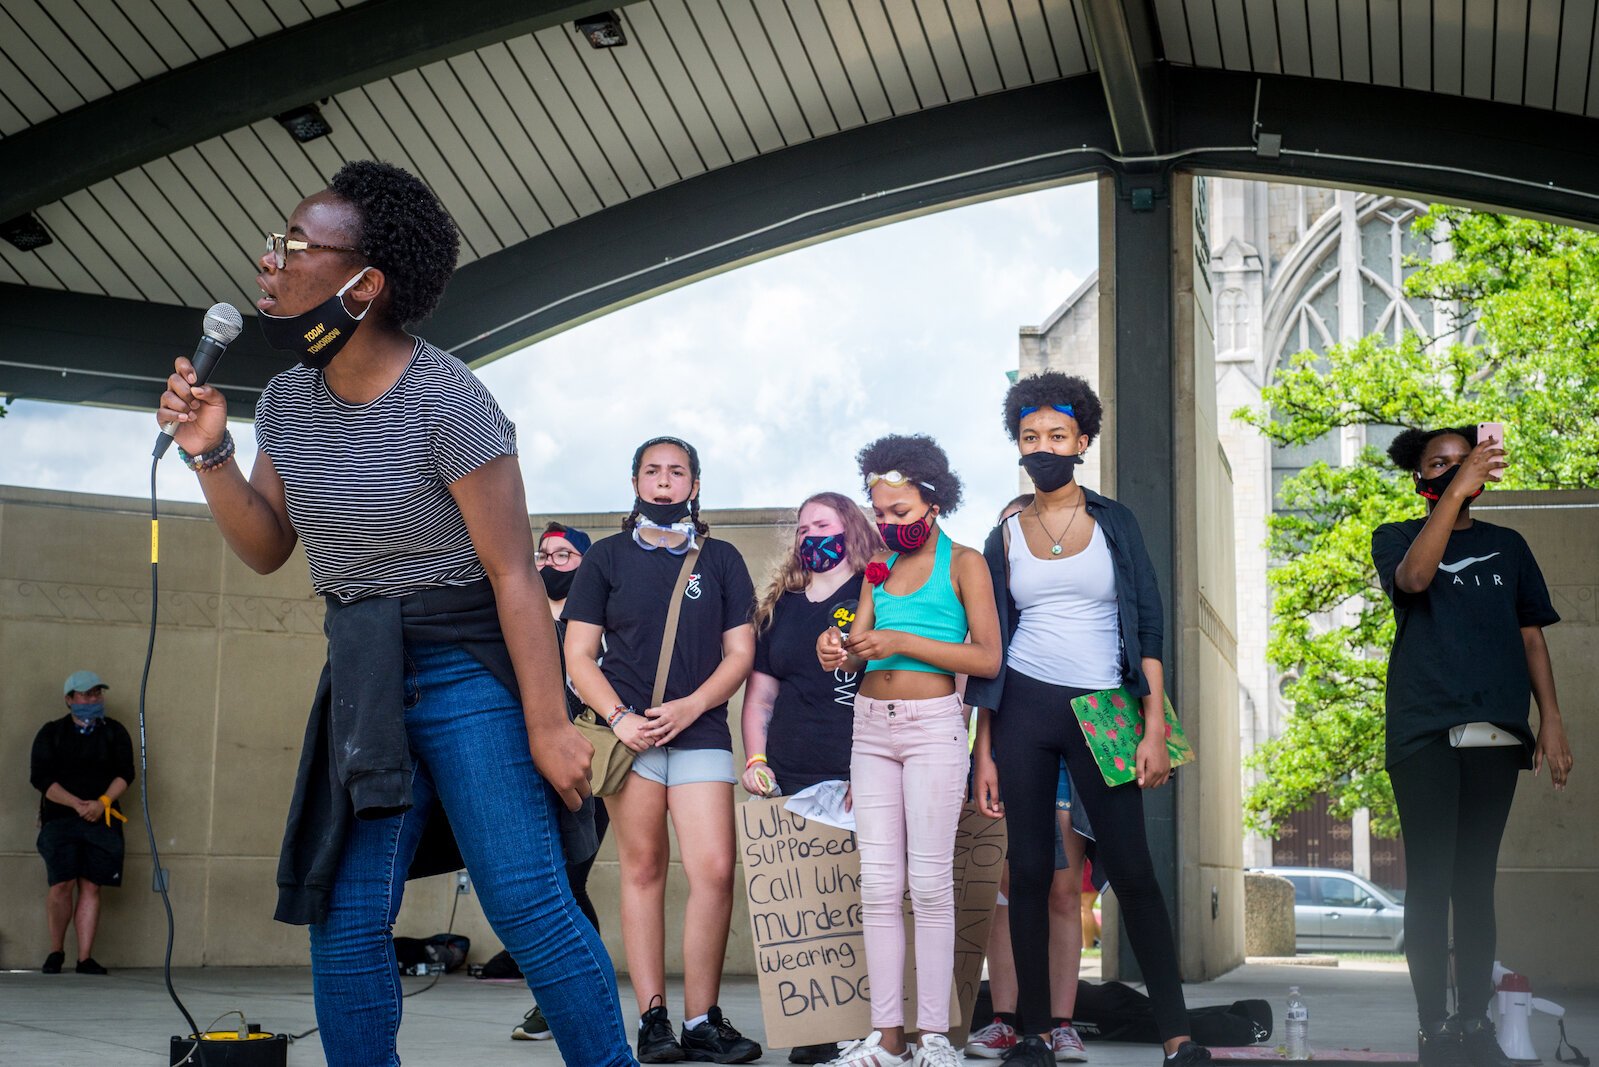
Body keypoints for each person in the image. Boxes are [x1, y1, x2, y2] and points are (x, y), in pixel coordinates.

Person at [156, 160, 632, 1067]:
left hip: (467, 666)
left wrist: (546, 724)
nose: (269, 260)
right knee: (342, 916)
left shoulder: (447, 397)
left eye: (293, 244)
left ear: (362, 284)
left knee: (527, 900)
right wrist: (209, 453)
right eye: (275, 241)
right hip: (364, 669)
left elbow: (515, 575)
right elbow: (266, 546)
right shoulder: (288, 401)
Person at [968, 372, 1209, 1067]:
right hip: (1021, 707)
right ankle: (1036, 1035)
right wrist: (984, 749)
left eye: (1056, 436)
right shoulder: (1005, 531)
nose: (1042, 447)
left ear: (1082, 441)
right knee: (1030, 870)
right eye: (1029, 437)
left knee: (1133, 870)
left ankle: (1177, 1036)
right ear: (1017, 443)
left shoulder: (1115, 522)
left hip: (1103, 707)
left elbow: (1150, 627)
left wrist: (1154, 725)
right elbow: (992, 645)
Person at [1372, 426, 1572, 1067]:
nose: (1456, 471)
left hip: (1496, 731)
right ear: (1420, 479)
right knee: (1430, 881)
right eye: (1441, 465)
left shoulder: (1507, 546)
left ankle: (1472, 1023)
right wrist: (1453, 497)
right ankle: (1434, 1025)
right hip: (1423, 730)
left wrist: (1554, 722)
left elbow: (1532, 639)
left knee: (1474, 882)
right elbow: (1415, 580)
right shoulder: (1398, 535)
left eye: (1465, 462)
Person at [563, 436, 762, 1064]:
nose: (665, 481)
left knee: (714, 871)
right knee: (643, 871)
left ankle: (703, 1019)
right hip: (632, 741)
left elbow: (741, 656)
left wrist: (691, 707)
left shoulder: (723, 560)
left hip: (699, 732)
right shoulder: (607, 560)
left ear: (695, 486)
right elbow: (576, 655)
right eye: (653, 471)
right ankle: (653, 1020)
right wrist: (619, 718)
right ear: (635, 481)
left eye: (677, 472)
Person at [815, 434, 1002, 1067]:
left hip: (934, 727)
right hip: (869, 727)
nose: (889, 524)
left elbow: (986, 657)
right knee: (878, 886)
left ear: (934, 502)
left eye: (901, 513)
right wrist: (836, 648)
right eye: (880, 514)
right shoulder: (876, 571)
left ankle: (932, 1038)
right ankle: (886, 1038)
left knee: (928, 885)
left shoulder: (965, 563)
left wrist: (905, 640)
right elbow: (858, 641)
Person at [743, 491, 883, 1064]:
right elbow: (760, 698)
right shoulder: (782, 608)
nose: (809, 536)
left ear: (850, 528)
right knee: (809, 911)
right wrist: (756, 760)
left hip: (866, 775)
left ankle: (871, 1026)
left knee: (865, 906)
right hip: (795, 779)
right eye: (802, 529)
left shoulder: (879, 594)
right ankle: (818, 1026)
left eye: (820, 524)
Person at [967, 496, 1093, 1063]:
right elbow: (983, 694)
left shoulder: (1081, 596)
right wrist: (983, 757)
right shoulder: (989, 605)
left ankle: (1062, 1022)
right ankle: (1004, 1018)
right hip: (1009, 750)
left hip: (1076, 750)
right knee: (1007, 889)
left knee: (1064, 891)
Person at [513, 522, 609, 1043]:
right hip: (526, 769)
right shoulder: (518, 620)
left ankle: (573, 1001)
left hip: (587, 766)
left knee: (570, 882)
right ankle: (555, 999)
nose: (550, 563)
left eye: (565, 555)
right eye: (544, 554)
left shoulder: (600, 625)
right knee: (541, 886)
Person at [30, 670, 133, 976]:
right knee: (62, 883)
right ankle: (56, 951)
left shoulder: (114, 732)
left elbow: (125, 773)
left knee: (92, 885)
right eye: (86, 695)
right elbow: (41, 778)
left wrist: (102, 803)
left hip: (102, 818)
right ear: (69, 699)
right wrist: (76, 804)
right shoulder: (51, 733)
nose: (93, 700)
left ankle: (84, 957)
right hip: (61, 818)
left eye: (97, 694)